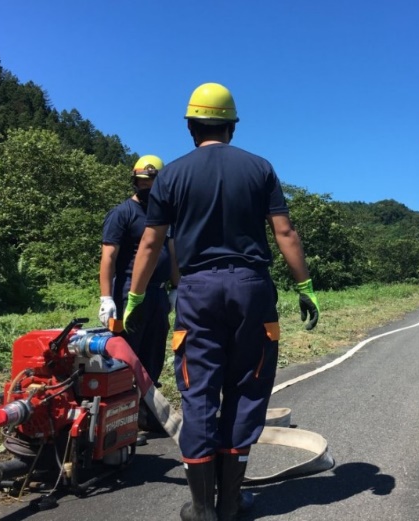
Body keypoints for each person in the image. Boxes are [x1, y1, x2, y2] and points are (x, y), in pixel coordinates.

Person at [123, 83, 320, 521]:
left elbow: (152, 241)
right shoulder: (260, 168)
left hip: (196, 292)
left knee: (198, 394)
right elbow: (285, 232)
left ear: (192, 127)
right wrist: (304, 286)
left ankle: (200, 509)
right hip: (252, 288)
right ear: (231, 126)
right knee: (247, 391)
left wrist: (134, 296)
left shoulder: (171, 175)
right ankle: (230, 503)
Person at [98, 155, 180, 439]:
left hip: (158, 297)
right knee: (127, 357)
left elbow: (172, 254)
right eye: (143, 181)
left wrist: (175, 288)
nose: (147, 186)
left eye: (153, 181)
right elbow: (109, 257)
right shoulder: (123, 213)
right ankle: (124, 421)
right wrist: (106, 297)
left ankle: (146, 416)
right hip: (128, 295)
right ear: (135, 181)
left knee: (153, 355)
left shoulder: (165, 216)